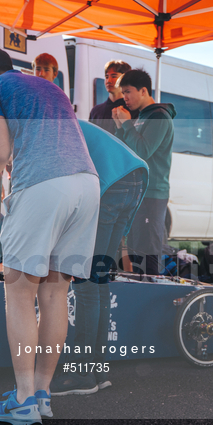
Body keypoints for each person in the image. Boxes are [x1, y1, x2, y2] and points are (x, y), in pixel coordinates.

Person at [0, 47, 100, 425]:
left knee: (19, 292)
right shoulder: (47, 87)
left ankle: (21, 401)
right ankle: (40, 394)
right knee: (54, 293)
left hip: (42, 187)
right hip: (87, 184)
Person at [50, 120, 148, 396]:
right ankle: (98, 368)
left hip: (112, 182)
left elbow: (64, 193)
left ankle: (81, 374)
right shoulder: (60, 122)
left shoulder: (45, 136)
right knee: (99, 280)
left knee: (85, 283)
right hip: (134, 175)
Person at [112, 68, 175, 277]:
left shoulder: (160, 117)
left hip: (152, 193)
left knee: (148, 252)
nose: (125, 98)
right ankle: (139, 293)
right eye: (123, 93)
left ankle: (150, 295)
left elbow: (143, 151)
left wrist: (128, 124)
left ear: (143, 91)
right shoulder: (141, 117)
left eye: (128, 91)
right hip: (137, 192)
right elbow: (125, 151)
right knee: (136, 248)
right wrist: (121, 127)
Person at [89, 60, 136, 136]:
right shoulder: (96, 111)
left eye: (114, 76)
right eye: (106, 77)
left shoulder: (133, 110)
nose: (108, 81)